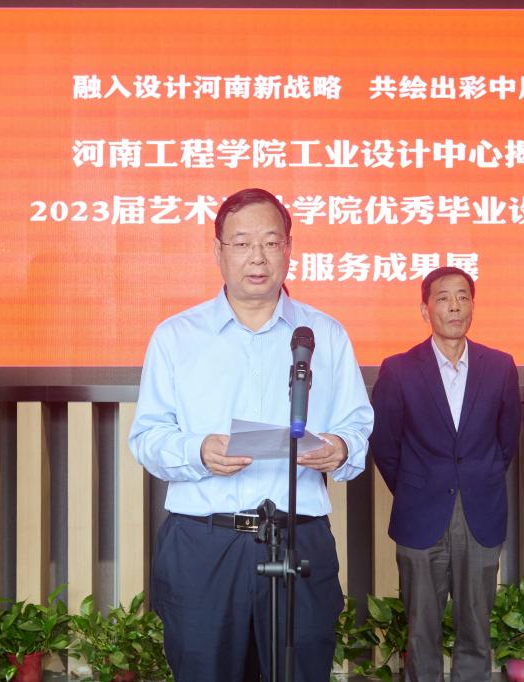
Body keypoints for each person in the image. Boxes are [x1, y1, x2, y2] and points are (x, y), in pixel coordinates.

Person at [127, 187, 373, 682]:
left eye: (270, 242)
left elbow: (357, 425)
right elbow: (147, 438)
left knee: (301, 671)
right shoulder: (177, 336)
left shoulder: (325, 334)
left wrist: (339, 448)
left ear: (289, 249)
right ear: (218, 251)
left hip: (299, 537)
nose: (257, 257)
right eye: (241, 243)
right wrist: (199, 451)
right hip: (204, 543)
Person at [369, 266, 521, 681]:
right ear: (425, 310)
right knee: (421, 630)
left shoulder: (500, 366)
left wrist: (478, 479)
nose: (454, 306)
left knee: (476, 628)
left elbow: (506, 441)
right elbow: (385, 444)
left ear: (473, 306)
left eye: (462, 297)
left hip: (480, 513)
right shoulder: (399, 369)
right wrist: (416, 489)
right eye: (443, 298)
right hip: (420, 514)